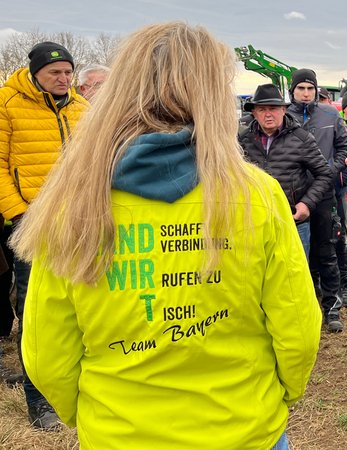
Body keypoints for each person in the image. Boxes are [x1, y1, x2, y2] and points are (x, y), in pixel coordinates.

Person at [13, 22, 321, 450]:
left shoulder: (71, 202)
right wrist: (276, 397)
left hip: (120, 432)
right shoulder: (257, 195)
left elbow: (47, 354)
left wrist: (96, 415)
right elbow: (298, 330)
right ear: (212, 94)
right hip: (242, 426)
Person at [0, 40, 89, 430]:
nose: (63, 79)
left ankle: (79, 383)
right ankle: (39, 402)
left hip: (79, 221)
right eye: (55, 73)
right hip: (32, 223)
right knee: (35, 310)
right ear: (35, 72)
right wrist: (19, 214)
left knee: (81, 302)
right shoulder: (7, 104)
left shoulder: (84, 108)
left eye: (68, 72)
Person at [287, 68, 347, 332]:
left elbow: (345, 147)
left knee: (326, 250)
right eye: (300, 88)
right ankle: (308, 302)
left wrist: (329, 169)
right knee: (298, 253)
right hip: (294, 195)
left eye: (309, 88)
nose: (305, 93)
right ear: (292, 90)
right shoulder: (284, 116)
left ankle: (332, 306)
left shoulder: (329, 114)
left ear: (316, 91)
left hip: (324, 193)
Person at [238, 84, 334, 259]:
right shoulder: (243, 140)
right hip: (256, 222)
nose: (268, 114)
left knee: (294, 278)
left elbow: (324, 173)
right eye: (262, 109)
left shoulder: (301, 139)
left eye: (273, 108)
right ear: (253, 113)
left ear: (283, 109)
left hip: (293, 222)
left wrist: (306, 204)